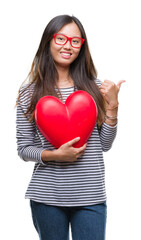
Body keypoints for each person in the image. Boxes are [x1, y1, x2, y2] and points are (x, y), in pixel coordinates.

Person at [16, 15, 125, 240]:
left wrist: (112, 107)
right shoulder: (29, 93)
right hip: (47, 198)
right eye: (61, 38)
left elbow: (104, 144)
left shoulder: (96, 88)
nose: (68, 46)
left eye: (76, 41)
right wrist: (56, 155)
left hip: (91, 197)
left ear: (81, 47)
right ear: (48, 41)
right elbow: (24, 149)